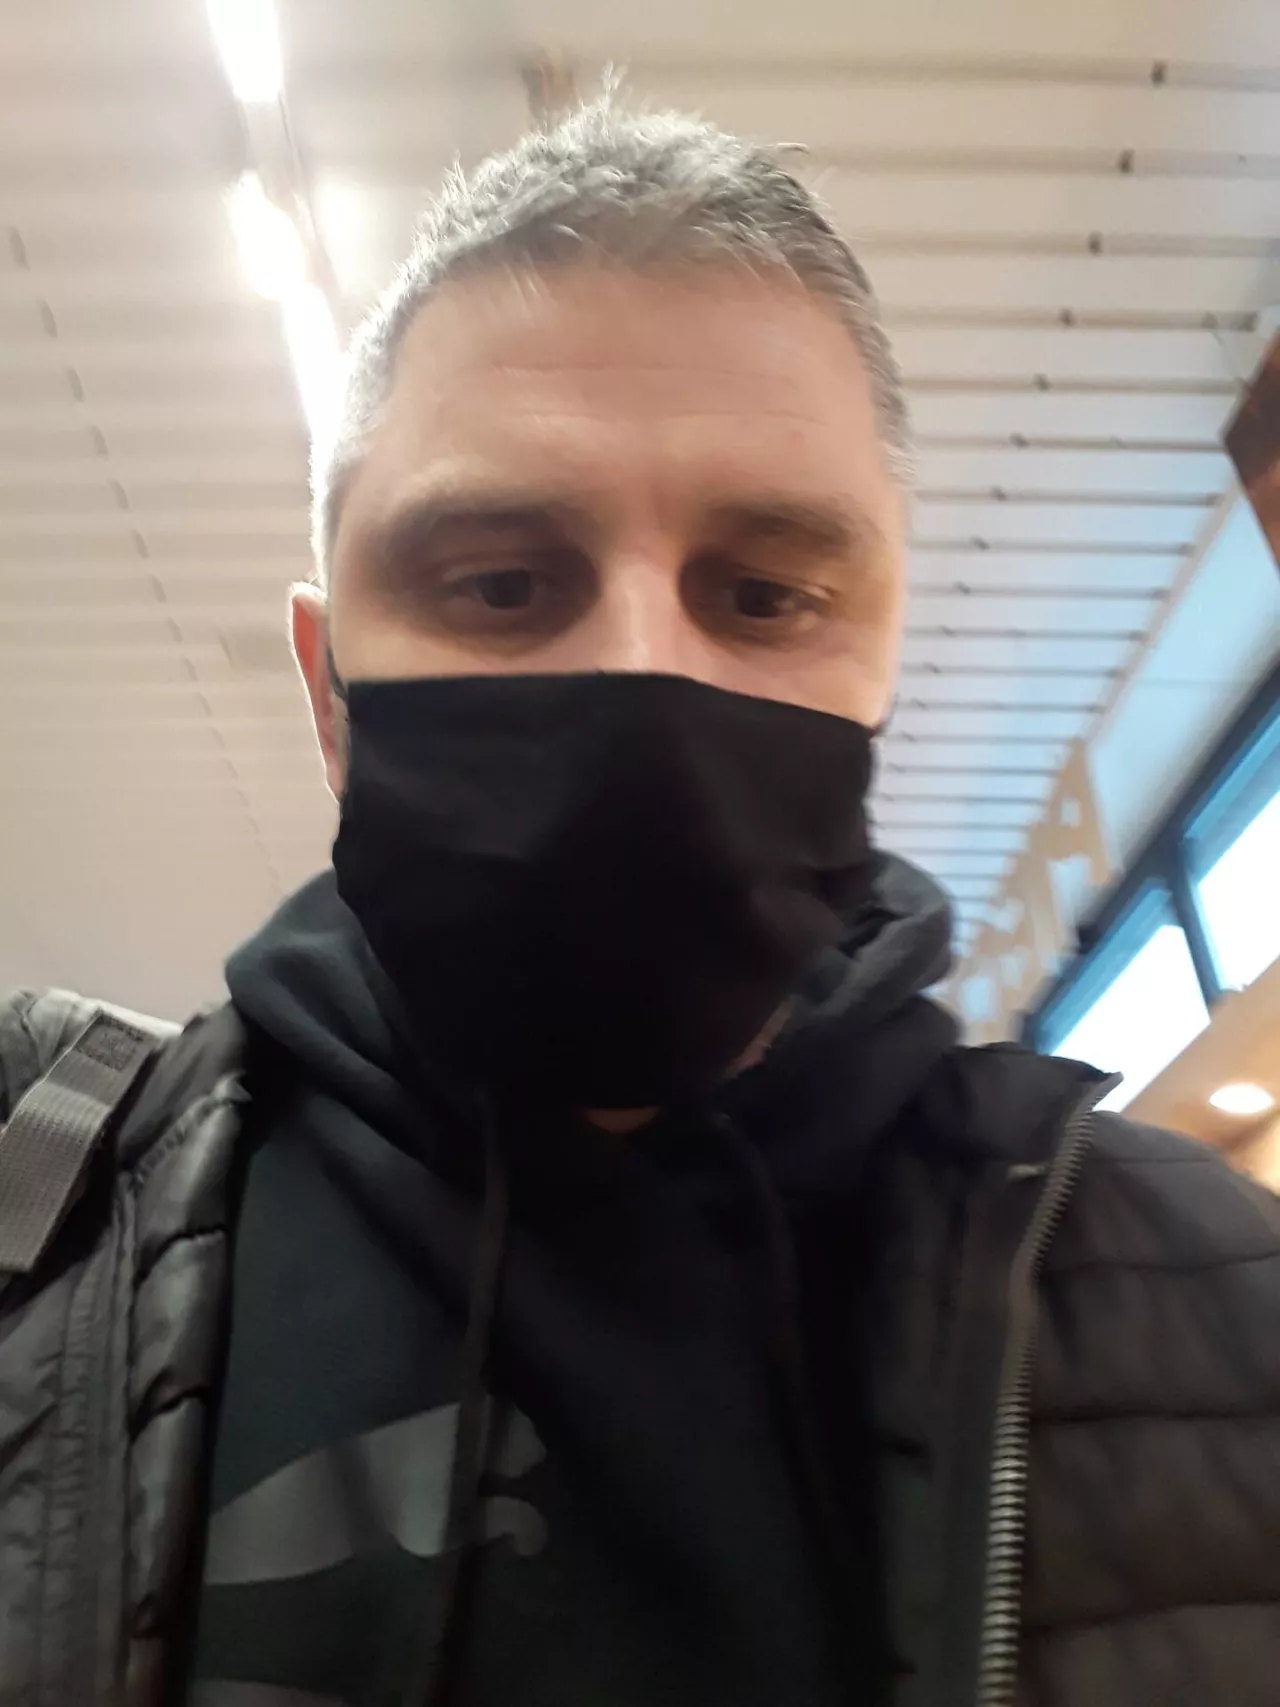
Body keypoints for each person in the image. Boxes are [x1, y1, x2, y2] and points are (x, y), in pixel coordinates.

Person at [1, 99, 1278, 1707]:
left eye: (763, 593)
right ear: (331, 692)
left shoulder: (1222, 1304)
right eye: (502, 582)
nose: (638, 674)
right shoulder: (41, 1222)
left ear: (881, 666)